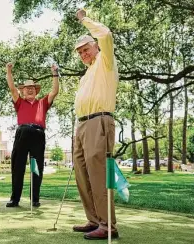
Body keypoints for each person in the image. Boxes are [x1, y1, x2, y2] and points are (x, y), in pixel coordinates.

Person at [72, 9, 119, 240]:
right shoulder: (86, 74)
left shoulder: (105, 61)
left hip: (99, 122)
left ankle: (108, 224)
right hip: (81, 127)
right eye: (80, 52)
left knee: (98, 175)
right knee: (82, 175)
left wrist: (84, 20)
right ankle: (93, 220)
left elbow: (106, 34)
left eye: (86, 49)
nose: (83, 53)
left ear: (96, 47)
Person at [5, 63, 59, 207]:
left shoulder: (43, 102)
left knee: (37, 167)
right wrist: (9, 71)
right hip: (22, 133)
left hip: (38, 134)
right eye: (27, 88)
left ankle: (34, 199)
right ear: (23, 91)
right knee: (18, 167)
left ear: (36, 91)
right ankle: (14, 199)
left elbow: (54, 91)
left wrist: (55, 73)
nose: (29, 90)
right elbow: (11, 87)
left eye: (32, 88)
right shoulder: (19, 101)